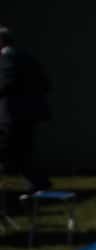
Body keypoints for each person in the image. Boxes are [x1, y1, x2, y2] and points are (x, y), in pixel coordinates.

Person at [0, 26, 54, 192]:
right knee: (23, 151)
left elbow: (6, 84)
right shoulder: (28, 57)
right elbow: (45, 83)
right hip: (29, 114)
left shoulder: (7, 58)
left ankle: (39, 182)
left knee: (8, 148)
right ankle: (40, 183)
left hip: (12, 114)